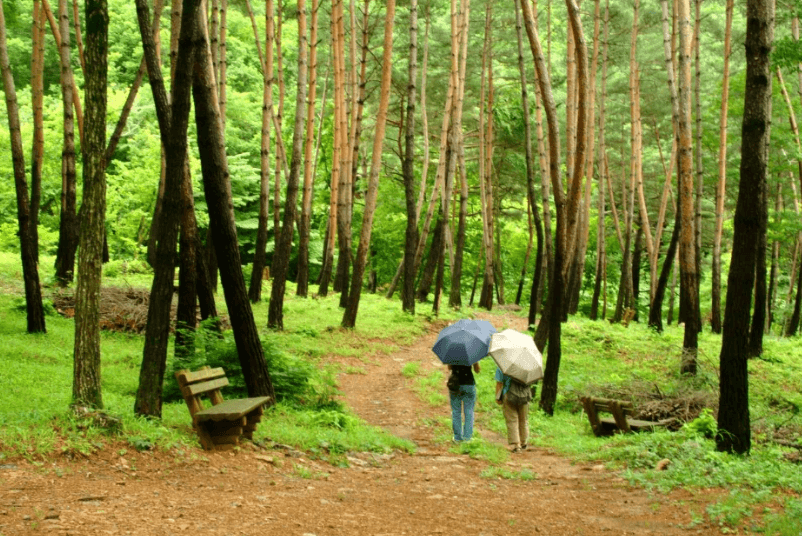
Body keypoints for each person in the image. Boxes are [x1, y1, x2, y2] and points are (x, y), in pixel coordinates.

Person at [495, 367, 530, 453]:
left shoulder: (502, 365)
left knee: (512, 420)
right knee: (523, 419)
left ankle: (517, 445)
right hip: (524, 395)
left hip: (509, 394)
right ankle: (524, 442)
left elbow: (499, 383)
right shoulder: (526, 365)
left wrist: (497, 397)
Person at [447, 362, 480, 442]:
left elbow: (449, 368)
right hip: (469, 384)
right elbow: (477, 370)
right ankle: (467, 438)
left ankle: (457, 438)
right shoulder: (472, 355)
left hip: (455, 383)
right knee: (469, 411)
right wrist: (475, 363)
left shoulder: (452, 354)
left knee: (456, 411)